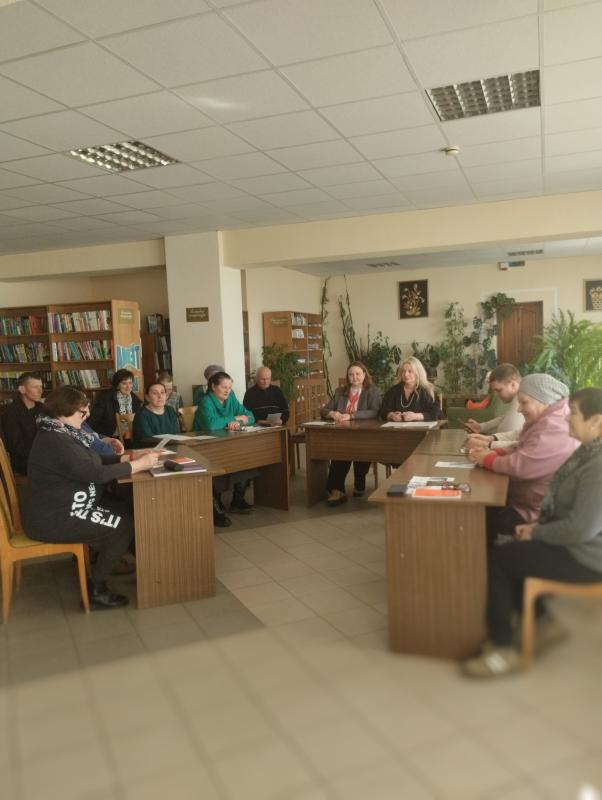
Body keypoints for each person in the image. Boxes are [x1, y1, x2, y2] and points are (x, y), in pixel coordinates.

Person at [463, 387, 602, 678]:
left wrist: (536, 533)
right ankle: (542, 624)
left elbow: (580, 529)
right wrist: (536, 529)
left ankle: (503, 649)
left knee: (502, 558)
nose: (567, 419)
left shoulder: (598, 464)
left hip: (589, 557)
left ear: (596, 421)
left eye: (574, 414)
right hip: (577, 543)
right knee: (512, 550)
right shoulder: (588, 451)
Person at [22, 386, 159, 610]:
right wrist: (137, 465)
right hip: (56, 518)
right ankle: (97, 590)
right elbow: (95, 473)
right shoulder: (56, 441)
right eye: (81, 412)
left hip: (67, 506)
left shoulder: (62, 431)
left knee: (125, 508)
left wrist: (128, 458)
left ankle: (134, 563)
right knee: (122, 526)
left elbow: (92, 460)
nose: (85, 416)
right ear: (62, 411)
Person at [469, 373, 580, 541]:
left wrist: (487, 459)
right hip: (527, 501)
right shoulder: (547, 417)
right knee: (484, 505)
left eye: (524, 402)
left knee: (481, 516)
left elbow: (522, 466)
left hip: (537, 512)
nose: (519, 409)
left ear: (544, 400)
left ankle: (487, 557)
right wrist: (496, 453)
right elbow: (522, 445)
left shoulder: (555, 425)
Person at [193, 371, 256, 526]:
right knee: (219, 464)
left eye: (229, 387)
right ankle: (215, 506)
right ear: (213, 387)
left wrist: (237, 422)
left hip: (226, 442)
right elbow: (211, 425)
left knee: (247, 457)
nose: (228, 390)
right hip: (204, 446)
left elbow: (250, 417)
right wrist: (235, 419)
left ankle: (237, 500)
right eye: (224, 387)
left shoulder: (231, 397)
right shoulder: (206, 401)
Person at [320, 361, 382, 506]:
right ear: (347, 377)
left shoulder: (373, 391)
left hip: (364, 433)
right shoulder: (340, 392)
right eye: (351, 374)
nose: (355, 377)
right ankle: (337, 490)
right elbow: (324, 410)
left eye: (358, 374)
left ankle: (359, 482)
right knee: (341, 451)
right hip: (343, 434)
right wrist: (333, 413)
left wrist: (352, 416)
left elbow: (375, 411)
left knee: (361, 449)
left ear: (364, 374)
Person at [464, 363, 524, 450]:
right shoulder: (518, 399)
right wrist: (481, 427)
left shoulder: (522, 400)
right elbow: (505, 419)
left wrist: (487, 443)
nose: (496, 394)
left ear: (513, 385)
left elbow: (508, 431)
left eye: (499, 390)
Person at [3, 371, 44, 475]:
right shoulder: (11, 413)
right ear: (22, 389)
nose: (40, 391)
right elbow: (16, 447)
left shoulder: (42, 408)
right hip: (25, 463)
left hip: (44, 456)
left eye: (41, 386)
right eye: (35, 387)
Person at [380, 357, 441, 422]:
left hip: (421, 428)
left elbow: (435, 413)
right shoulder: (394, 390)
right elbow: (383, 411)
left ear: (418, 373)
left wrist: (416, 416)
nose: (406, 374)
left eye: (410, 371)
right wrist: (391, 415)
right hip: (397, 428)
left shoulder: (427, 391)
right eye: (403, 371)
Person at [88, 369, 142, 438]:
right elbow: (93, 419)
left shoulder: (135, 399)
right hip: (110, 436)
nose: (128, 387)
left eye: (130, 383)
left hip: (130, 435)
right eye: (124, 383)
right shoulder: (105, 398)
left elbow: (139, 421)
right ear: (117, 385)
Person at [132, 382, 180, 447]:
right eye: (155, 393)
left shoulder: (170, 410)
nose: (160, 396)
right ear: (147, 397)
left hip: (171, 447)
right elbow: (148, 440)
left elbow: (176, 433)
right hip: (148, 450)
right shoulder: (141, 414)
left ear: (166, 396)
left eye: (162, 392)